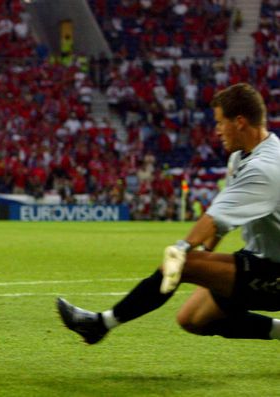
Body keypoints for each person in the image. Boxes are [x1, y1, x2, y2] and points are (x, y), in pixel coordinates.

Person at [57, 83, 280, 344]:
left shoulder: (264, 168)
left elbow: (214, 219)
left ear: (240, 122)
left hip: (275, 270)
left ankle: (100, 324)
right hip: (260, 258)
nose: (217, 130)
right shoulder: (242, 158)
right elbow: (221, 220)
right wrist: (204, 259)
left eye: (220, 123)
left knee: (182, 263)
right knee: (193, 318)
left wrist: (183, 248)